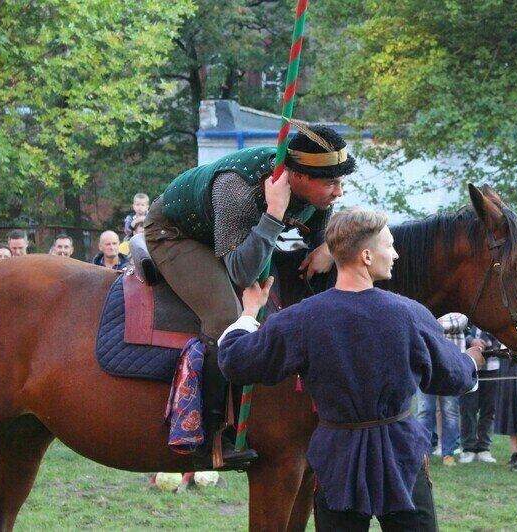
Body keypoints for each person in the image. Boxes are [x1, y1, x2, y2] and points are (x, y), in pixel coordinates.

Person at [217, 207, 481, 531]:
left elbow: (234, 360)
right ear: (367, 256)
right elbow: (455, 378)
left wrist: (249, 313)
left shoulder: (301, 318)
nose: (396, 254)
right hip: (399, 456)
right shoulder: (410, 315)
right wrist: (472, 359)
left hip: (336, 456)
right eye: (390, 245)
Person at [142, 124, 354, 467]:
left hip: (230, 234)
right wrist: (272, 215)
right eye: (331, 183)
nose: (338, 193)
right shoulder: (238, 190)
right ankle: (208, 431)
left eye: (341, 182)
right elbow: (242, 272)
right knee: (226, 316)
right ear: (297, 177)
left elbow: (318, 241)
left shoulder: (318, 196)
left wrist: (329, 245)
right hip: (177, 233)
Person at [417, 313, 466, 466]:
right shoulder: (423, 305)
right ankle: (422, 455)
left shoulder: (459, 308)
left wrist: (430, 323)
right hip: (425, 366)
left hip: (451, 367)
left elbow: (461, 322)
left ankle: (448, 453)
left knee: (450, 412)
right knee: (424, 412)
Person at [459, 326, 502, 465]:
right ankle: (468, 448)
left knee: (489, 409)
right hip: (469, 365)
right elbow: (460, 328)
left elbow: (499, 330)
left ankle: (484, 448)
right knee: (468, 408)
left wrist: (483, 341)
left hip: (491, 366)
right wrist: (471, 340)